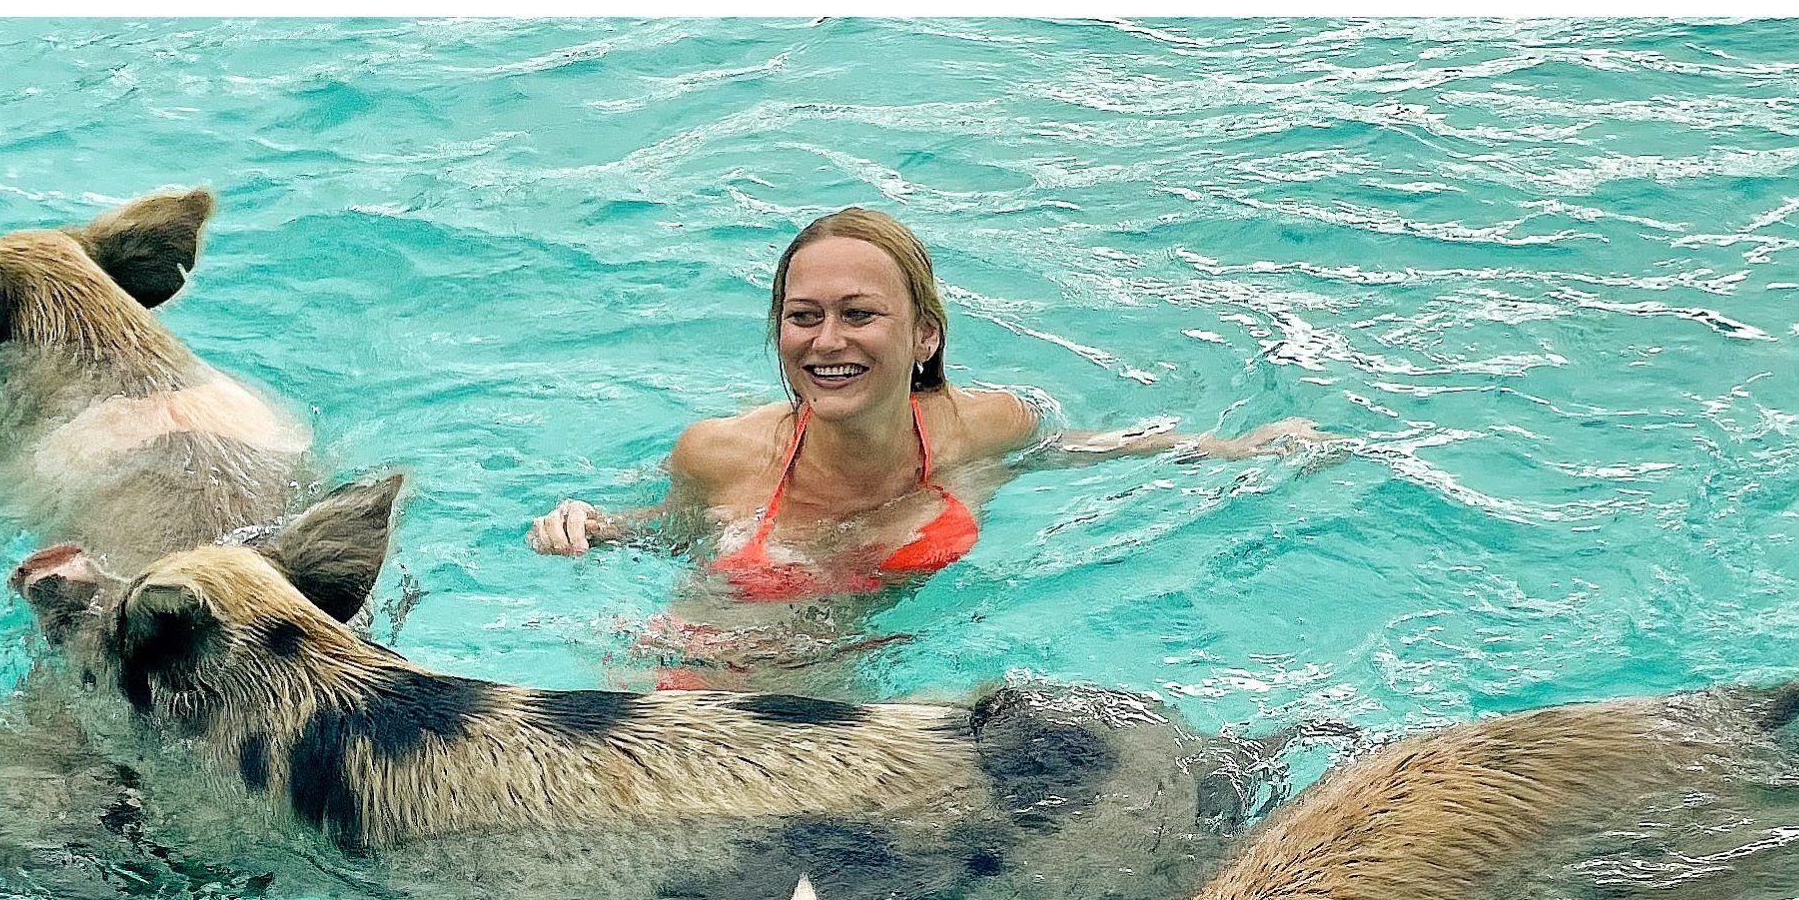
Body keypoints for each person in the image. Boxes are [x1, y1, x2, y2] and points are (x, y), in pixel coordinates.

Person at [526, 207, 1334, 636]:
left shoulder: (984, 429)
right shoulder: (720, 453)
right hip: (709, 682)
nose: (828, 341)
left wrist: (1233, 449)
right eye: (802, 315)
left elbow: (1073, 452)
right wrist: (587, 524)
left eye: (859, 313)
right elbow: (666, 533)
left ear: (924, 335)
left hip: (870, 692)